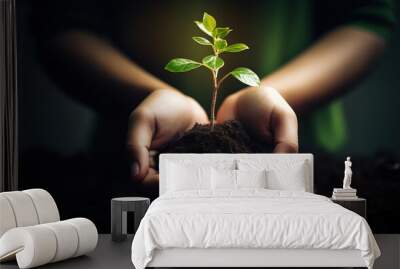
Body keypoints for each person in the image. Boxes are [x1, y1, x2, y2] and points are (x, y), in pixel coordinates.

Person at [32, 0, 396, 230]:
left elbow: (369, 16)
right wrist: (146, 96)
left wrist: (273, 96)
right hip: (132, 159)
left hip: (305, 156)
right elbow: (60, 19)